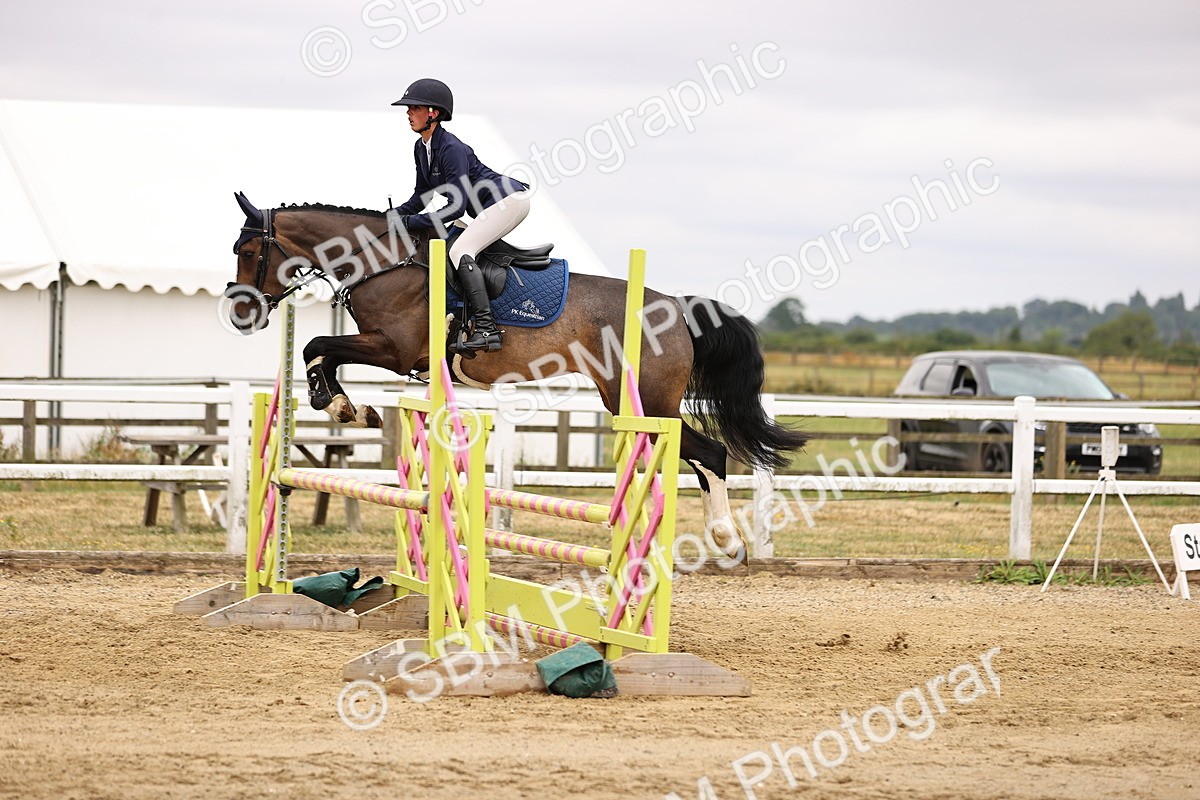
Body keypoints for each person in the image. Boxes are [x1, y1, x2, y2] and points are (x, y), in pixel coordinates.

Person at [392, 78, 531, 355]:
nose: (407, 113)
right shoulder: (422, 148)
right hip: (490, 207)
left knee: (460, 250)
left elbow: (455, 208)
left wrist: (409, 222)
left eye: (414, 108)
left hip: (508, 201)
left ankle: (487, 329)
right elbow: (422, 196)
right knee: (460, 245)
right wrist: (388, 217)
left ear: (433, 113)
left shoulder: (451, 149)